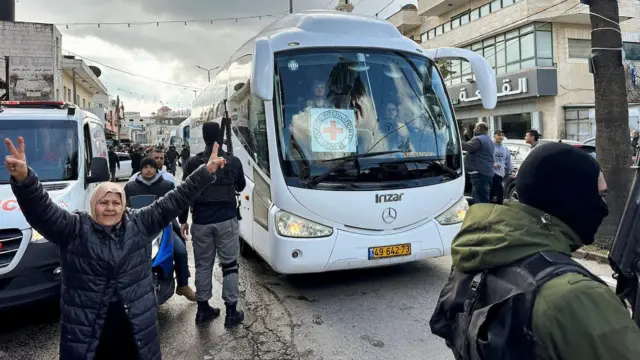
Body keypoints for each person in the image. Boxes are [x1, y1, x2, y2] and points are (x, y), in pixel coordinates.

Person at [4, 136, 226, 360]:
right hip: (88, 333)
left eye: (116, 202)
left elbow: (176, 199)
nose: (110, 208)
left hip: (135, 331)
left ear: (123, 204)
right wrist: (25, 180)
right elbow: (43, 212)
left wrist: (205, 172)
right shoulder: (74, 229)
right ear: (93, 205)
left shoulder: (140, 222)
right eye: (103, 202)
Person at [430, 142, 640, 360]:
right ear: (569, 198)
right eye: (600, 196)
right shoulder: (577, 297)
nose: (604, 208)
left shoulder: (480, 253)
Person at [179, 122, 246, 327]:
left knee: (203, 266)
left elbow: (185, 192)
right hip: (226, 219)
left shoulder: (192, 162)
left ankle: (203, 309)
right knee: (230, 266)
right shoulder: (232, 161)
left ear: (203, 136)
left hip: (201, 221)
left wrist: (183, 220)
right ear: (220, 137)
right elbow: (241, 186)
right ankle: (232, 312)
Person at [123, 157, 196, 302]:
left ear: (156, 169)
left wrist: (182, 221)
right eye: (145, 167)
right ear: (140, 169)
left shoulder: (167, 185)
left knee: (180, 250)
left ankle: (183, 284)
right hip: (137, 230)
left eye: (151, 167)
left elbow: (179, 202)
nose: (148, 169)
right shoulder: (130, 188)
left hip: (165, 227)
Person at [462, 122, 494, 204]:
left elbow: (468, 147)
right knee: (482, 196)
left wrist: (455, 141)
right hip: (485, 172)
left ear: (479, 129)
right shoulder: (486, 139)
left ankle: (482, 215)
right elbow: (473, 145)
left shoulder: (478, 139)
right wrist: (466, 136)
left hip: (479, 173)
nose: (473, 129)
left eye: (475, 127)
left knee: (479, 199)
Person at [490, 130, 513, 204]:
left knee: (497, 193)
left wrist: (512, 171)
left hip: (501, 175)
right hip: (491, 174)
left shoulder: (505, 149)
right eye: (499, 135)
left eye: (502, 135)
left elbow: (508, 162)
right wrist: (493, 164)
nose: (501, 137)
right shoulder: (490, 147)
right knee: (498, 192)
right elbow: (483, 159)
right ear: (494, 136)